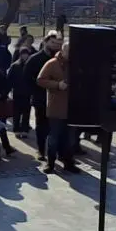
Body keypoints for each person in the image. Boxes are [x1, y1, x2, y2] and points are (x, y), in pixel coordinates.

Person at [36, 42, 75, 174]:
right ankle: (50, 163)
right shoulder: (52, 63)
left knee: (69, 138)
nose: (70, 54)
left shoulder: (74, 64)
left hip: (71, 108)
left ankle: (68, 162)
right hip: (56, 107)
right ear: (62, 51)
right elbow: (40, 80)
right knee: (54, 137)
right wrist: (57, 85)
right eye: (68, 52)